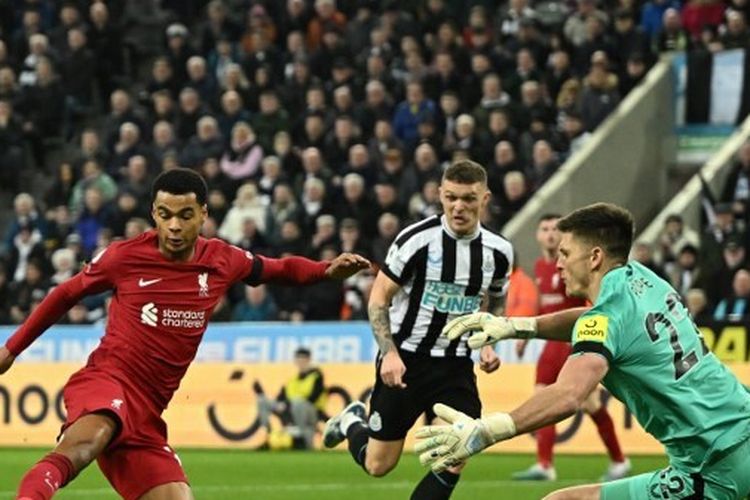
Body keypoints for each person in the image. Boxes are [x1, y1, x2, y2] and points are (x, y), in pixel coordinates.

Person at [0, 168, 370, 500]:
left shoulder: (223, 259)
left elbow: (280, 269)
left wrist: (325, 270)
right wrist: (12, 349)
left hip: (148, 412)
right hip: (107, 381)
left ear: (204, 214)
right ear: (154, 215)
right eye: (165, 216)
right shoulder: (124, 256)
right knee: (85, 445)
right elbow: (66, 293)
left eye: (185, 215)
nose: (174, 226)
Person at [416, 202, 750, 500]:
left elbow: (568, 395)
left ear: (594, 257)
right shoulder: (644, 279)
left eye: (565, 253)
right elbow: (594, 319)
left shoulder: (608, 316)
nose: (558, 263)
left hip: (713, 467)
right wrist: (518, 326)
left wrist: (486, 431)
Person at [321, 160, 511, 500]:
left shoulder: (498, 252)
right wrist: (389, 354)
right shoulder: (417, 241)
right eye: (451, 197)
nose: (458, 206)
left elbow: (496, 301)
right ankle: (352, 421)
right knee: (378, 465)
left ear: (484, 199)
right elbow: (378, 298)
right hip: (406, 361)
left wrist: (489, 340)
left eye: (468, 198)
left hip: (455, 366)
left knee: (456, 453)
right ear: (440, 194)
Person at [513, 214, 629, 481]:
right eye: (545, 229)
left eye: (555, 229)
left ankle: (550, 464)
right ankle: (549, 463)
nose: (551, 234)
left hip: (570, 342)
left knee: (568, 400)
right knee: (565, 400)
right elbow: (545, 308)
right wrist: (526, 335)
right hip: (549, 344)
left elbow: (589, 299)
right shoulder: (540, 267)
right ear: (538, 236)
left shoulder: (573, 265)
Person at [254, 346, 327, 450]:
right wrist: (280, 405)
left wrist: (289, 404)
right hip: (291, 411)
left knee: (298, 402)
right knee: (262, 400)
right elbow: (280, 398)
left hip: (311, 413)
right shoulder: (292, 381)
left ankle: (301, 438)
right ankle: (268, 434)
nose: (301, 362)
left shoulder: (317, 376)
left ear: (309, 360)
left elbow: (313, 398)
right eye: (299, 359)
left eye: (303, 359)